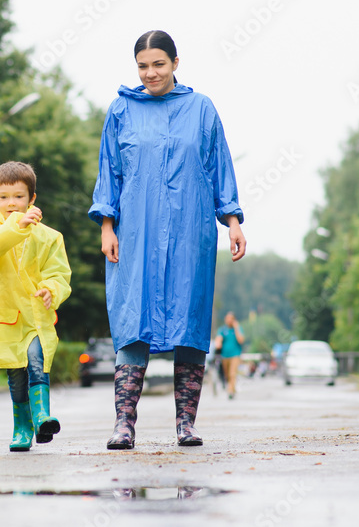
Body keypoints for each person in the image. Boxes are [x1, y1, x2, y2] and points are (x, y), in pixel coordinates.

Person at [89, 30, 246, 449]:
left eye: (158, 64)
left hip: (189, 232)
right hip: (135, 233)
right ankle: (124, 424)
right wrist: (107, 225)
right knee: (131, 321)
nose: (150, 73)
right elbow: (110, 172)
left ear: (176, 63)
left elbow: (219, 167)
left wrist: (231, 221)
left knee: (189, 323)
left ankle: (186, 424)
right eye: (142, 66)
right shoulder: (121, 110)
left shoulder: (201, 109)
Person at [0, 161, 72, 452]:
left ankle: (42, 417)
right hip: (4, 317)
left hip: (36, 317)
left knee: (37, 362)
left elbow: (59, 274)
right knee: (16, 375)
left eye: (19, 197)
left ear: (32, 199)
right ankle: (22, 427)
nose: (11, 204)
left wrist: (51, 290)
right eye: (4, 197)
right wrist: (18, 224)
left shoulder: (50, 237)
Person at [214, 312, 246, 399]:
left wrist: (236, 328)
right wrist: (218, 342)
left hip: (235, 355)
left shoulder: (238, 329)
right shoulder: (222, 330)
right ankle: (231, 388)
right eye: (227, 318)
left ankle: (231, 392)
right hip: (225, 356)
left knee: (232, 373)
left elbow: (241, 340)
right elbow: (218, 339)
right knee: (227, 375)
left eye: (231, 318)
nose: (229, 320)